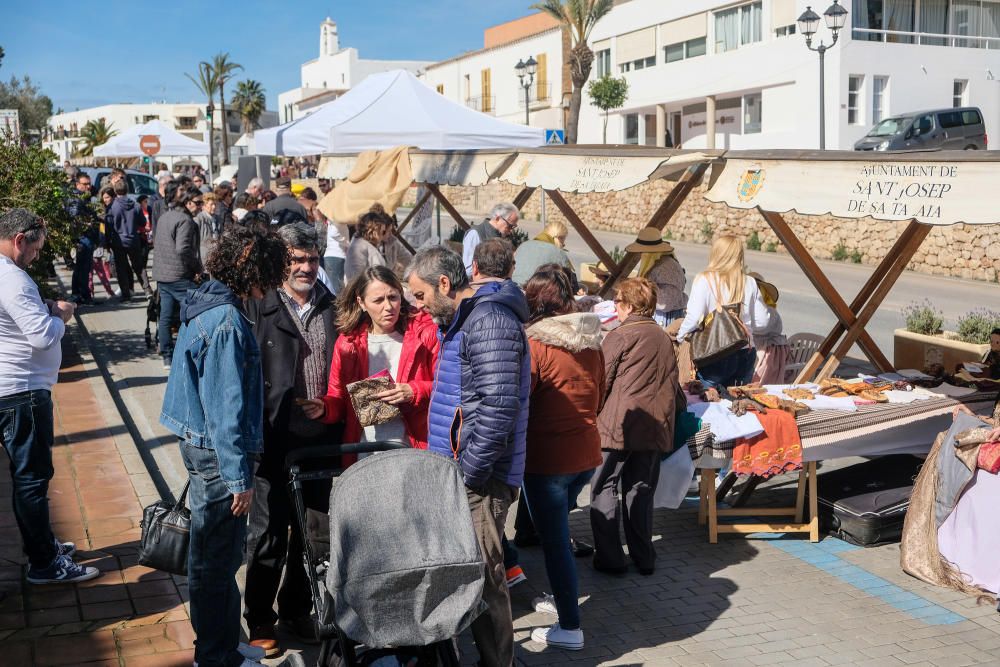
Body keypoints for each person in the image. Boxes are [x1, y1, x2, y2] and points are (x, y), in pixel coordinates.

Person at [160, 225, 288, 667]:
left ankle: (223, 644)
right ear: (253, 268)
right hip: (218, 457)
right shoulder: (227, 321)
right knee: (215, 562)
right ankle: (216, 654)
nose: (269, 288)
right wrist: (239, 479)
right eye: (268, 276)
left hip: (202, 446)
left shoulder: (206, 302)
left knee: (215, 557)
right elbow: (225, 410)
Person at [404, 242, 529, 667]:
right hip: (469, 470)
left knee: (486, 577)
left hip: (482, 476)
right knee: (475, 574)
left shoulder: (488, 320)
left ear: (444, 283)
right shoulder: (468, 319)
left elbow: (498, 408)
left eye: (421, 296)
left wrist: (470, 474)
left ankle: (498, 663)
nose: (419, 307)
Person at [242, 223, 342, 656]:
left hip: (321, 437)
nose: (305, 267)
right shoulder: (256, 306)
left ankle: (298, 608)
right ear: (281, 261)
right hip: (273, 437)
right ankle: (260, 617)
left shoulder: (333, 306)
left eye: (312, 259)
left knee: (312, 531)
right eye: (296, 259)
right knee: (268, 533)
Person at [0, 208, 100, 584]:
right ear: (19, 240)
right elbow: (41, 335)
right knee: (32, 478)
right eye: (36, 249)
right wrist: (61, 316)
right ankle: (44, 562)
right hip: (22, 391)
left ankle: (42, 546)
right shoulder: (12, 280)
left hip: (14, 386)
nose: (38, 257)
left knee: (27, 477)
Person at [519, 267, 604, 651]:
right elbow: (598, 394)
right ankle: (565, 603)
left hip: (548, 458)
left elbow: (522, 402)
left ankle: (570, 625)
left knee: (555, 546)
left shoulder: (536, 347)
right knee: (556, 538)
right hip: (584, 453)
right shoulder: (591, 343)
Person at [591, 277, 678, 577]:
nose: (615, 305)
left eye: (617, 300)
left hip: (619, 425)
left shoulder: (621, 335)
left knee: (604, 486)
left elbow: (601, 381)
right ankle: (644, 557)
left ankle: (611, 559)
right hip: (653, 426)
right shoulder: (664, 337)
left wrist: (591, 413)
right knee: (639, 490)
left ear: (628, 305)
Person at [304, 264, 438, 456]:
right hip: (366, 450)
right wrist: (324, 407)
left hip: (414, 447)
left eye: (393, 297)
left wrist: (413, 391)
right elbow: (339, 397)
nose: (388, 307)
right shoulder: (348, 343)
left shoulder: (425, 334)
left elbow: (447, 388)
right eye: (378, 300)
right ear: (361, 302)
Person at [676, 235, 771, 391]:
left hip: (715, 353)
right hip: (745, 351)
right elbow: (762, 322)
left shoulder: (705, 279)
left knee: (707, 402)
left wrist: (680, 337)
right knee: (739, 404)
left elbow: (693, 318)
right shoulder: (749, 282)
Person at [152, 183, 203, 369]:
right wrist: (197, 268)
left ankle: (167, 355)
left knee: (165, 316)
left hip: (163, 274)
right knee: (194, 313)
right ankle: (193, 351)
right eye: (198, 203)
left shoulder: (166, 217)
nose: (200, 207)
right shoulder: (184, 221)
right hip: (178, 275)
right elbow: (183, 249)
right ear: (188, 203)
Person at [628, 227, 687, 326]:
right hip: (668, 315)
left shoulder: (663, 266)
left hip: (665, 318)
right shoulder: (664, 262)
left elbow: (665, 303)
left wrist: (642, 291)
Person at [107, 179, 151, 300]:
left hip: (118, 241)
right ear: (127, 190)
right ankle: (147, 290)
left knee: (121, 268)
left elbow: (108, 225)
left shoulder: (112, 206)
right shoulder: (135, 206)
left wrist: (106, 242)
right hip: (133, 239)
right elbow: (142, 222)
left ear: (115, 191)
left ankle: (126, 293)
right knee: (139, 267)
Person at [749, 272, 788, 384]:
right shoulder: (767, 308)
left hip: (768, 351)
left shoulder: (766, 311)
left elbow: (760, 327)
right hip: (774, 348)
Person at [66, 172, 99, 305]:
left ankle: (80, 295)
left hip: (86, 237)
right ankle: (82, 295)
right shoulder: (76, 198)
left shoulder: (83, 197)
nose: (88, 186)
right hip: (83, 238)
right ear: (77, 184)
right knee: (83, 268)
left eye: (89, 183)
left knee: (83, 268)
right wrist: (87, 224)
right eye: (85, 184)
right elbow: (74, 218)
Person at [511, 220, 574, 287]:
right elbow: (569, 281)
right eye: (563, 243)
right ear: (559, 238)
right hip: (535, 292)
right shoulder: (558, 252)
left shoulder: (523, 245)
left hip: (513, 288)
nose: (563, 245)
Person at [462, 202, 519, 275]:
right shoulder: (475, 234)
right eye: (510, 226)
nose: (511, 231)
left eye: (514, 227)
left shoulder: (503, 237)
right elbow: (468, 270)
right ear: (498, 218)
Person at [344, 205, 391, 282]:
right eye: (382, 231)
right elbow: (355, 275)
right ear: (375, 231)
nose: (383, 235)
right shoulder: (359, 246)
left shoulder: (366, 245)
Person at [195, 192, 220, 264]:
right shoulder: (199, 219)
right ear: (204, 205)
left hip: (216, 256)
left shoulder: (218, 219)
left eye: (215, 204)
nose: (214, 207)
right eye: (211, 204)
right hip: (203, 258)